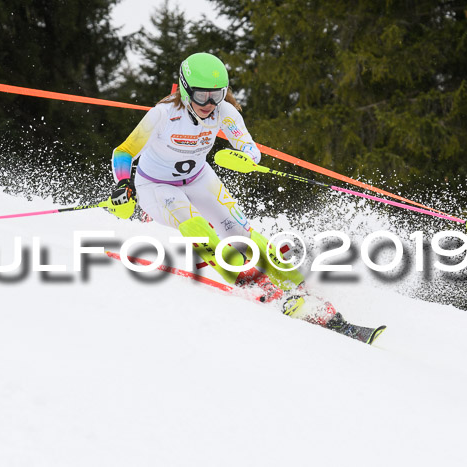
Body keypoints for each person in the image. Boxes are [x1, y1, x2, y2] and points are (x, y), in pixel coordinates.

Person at [107, 52, 344, 331]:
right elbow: (123, 152)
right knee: (196, 225)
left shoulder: (224, 111)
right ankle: (251, 284)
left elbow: (247, 146)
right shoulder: (163, 114)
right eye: (201, 96)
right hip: (156, 185)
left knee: (241, 231)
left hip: (198, 177)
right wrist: (123, 182)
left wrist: (247, 157)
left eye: (216, 95)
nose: (209, 104)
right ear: (185, 89)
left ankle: (298, 286)